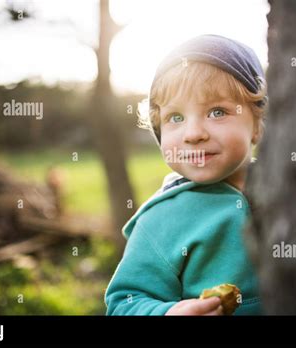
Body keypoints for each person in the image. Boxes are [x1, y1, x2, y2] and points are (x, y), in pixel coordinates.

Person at [105, 34, 267, 315]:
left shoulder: (291, 191)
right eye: (176, 118)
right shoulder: (161, 219)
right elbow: (124, 302)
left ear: (257, 125)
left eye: (217, 112)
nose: (193, 134)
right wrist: (168, 313)